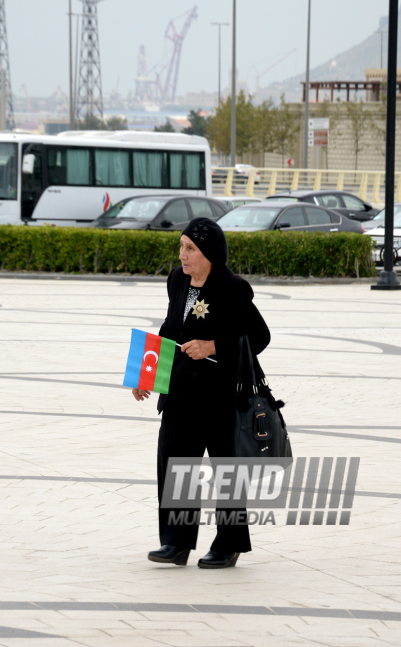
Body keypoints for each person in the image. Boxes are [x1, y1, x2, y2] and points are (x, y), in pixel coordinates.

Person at [132, 217, 271, 569]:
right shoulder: (177, 280)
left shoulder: (232, 287)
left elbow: (259, 336)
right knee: (176, 464)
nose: (182, 254)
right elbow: (169, 328)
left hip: (222, 396)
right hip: (180, 391)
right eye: (181, 246)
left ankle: (229, 543)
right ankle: (176, 543)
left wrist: (213, 345)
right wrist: (146, 372)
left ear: (209, 253)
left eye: (190, 248)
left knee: (226, 471)